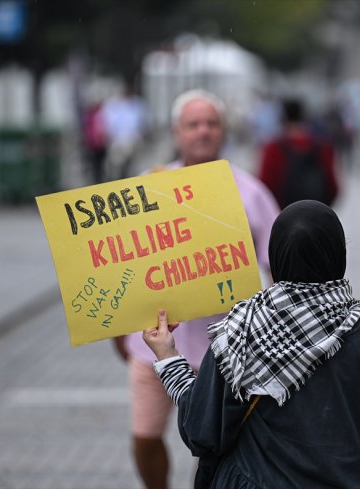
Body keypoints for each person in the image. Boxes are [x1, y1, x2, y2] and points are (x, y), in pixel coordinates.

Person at [141, 200, 360, 488]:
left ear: (275, 257)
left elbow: (201, 429)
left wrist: (168, 358)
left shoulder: (239, 335)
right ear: (337, 255)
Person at [112, 89, 280, 489]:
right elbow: (121, 267)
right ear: (177, 132)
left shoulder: (251, 192)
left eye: (211, 123)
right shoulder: (146, 189)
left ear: (223, 130)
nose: (203, 131)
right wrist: (116, 327)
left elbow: (279, 265)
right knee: (145, 436)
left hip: (224, 352)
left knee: (214, 446)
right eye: (194, 124)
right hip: (152, 344)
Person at [258, 98, 339, 209]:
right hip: (316, 217)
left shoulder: (273, 148)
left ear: (282, 119)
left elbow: (265, 187)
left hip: (283, 216)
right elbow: (333, 188)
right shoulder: (322, 146)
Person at [100, 84, 148, 181]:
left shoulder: (137, 103)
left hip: (133, 140)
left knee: (132, 169)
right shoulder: (113, 104)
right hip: (117, 142)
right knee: (116, 168)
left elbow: (143, 122)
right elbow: (108, 123)